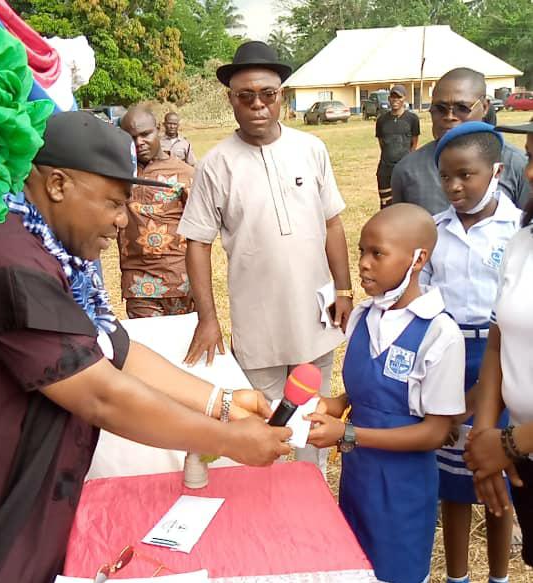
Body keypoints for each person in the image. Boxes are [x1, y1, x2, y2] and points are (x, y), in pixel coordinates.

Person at [0, 110, 292, 583]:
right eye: (113, 203)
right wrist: (228, 440)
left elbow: (116, 348)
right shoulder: (10, 261)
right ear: (56, 185)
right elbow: (99, 392)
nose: (121, 222)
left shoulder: (58, 251)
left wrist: (224, 401)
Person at [177, 41, 352, 472]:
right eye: (245, 96)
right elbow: (197, 243)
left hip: (316, 311)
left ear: (281, 97)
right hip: (258, 321)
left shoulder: (311, 149)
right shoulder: (216, 164)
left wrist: (344, 287)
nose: (257, 104)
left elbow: (332, 222)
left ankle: (310, 495)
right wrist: (208, 318)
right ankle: (271, 501)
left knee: (312, 417)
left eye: (267, 95)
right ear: (231, 100)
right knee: (266, 422)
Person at [307, 203, 466, 583]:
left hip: (403, 488)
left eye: (377, 253)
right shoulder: (363, 316)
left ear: (418, 259)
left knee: (398, 572)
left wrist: (347, 433)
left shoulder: (439, 334)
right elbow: (376, 384)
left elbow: (435, 432)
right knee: (356, 566)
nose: (363, 263)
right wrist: (339, 403)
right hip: (358, 477)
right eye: (362, 250)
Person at [422, 122, 521, 583]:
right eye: (446, 177)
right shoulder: (435, 231)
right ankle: (456, 576)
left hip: (503, 362)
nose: (454, 186)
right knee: (455, 478)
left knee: (500, 472)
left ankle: (499, 576)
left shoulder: (518, 230)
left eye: (466, 175)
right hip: (449, 356)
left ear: (496, 172)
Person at [464, 119, 533, 568]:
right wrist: (486, 435)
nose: (528, 172)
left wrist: (508, 443)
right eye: (530, 156)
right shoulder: (522, 242)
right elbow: (497, 343)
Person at [392, 68, 529, 214]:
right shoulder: (407, 171)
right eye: (440, 108)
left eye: (462, 108)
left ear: (484, 107)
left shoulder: (519, 166)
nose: (449, 116)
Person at [118, 106, 195, 319]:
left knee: (182, 349)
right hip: (139, 285)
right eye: (131, 138)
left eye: (145, 134)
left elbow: (201, 232)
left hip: (181, 282)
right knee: (149, 348)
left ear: (158, 129)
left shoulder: (185, 175)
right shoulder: (118, 175)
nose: (138, 143)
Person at [375, 84, 420, 209]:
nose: (395, 100)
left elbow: (414, 143)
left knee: (406, 204)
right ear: (389, 99)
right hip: (385, 169)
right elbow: (382, 143)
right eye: (392, 97)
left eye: (398, 97)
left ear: (404, 98)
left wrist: (407, 162)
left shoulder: (412, 119)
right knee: (386, 205)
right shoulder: (381, 120)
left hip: (405, 168)